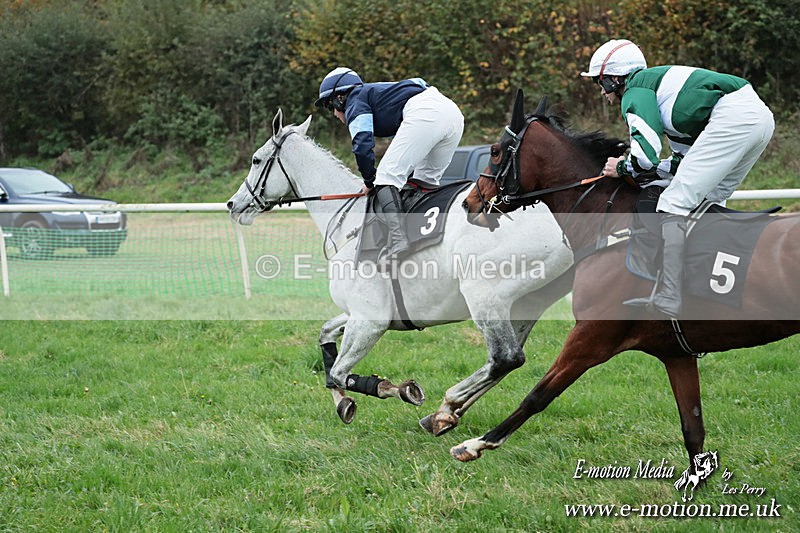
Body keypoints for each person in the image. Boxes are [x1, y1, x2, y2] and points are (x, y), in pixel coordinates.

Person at [582, 39, 774, 317]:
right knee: (707, 199)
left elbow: (645, 158)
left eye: (600, 82)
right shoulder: (663, 93)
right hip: (758, 118)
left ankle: (670, 295)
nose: (601, 91)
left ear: (615, 78)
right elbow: (680, 163)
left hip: (735, 118)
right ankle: (708, 284)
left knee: (673, 203)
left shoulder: (636, 91)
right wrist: (647, 170)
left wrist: (621, 167)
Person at [314, 67, 464, 268]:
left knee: (386, 177)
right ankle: (424, 240)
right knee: (423, 182)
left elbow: (362, 145)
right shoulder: (378, 93)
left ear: (340, 98)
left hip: (426, 112)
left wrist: (370, 180)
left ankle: (399, 241)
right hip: (453, 114)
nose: (334, 113)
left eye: (330, 106)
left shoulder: (355, 100)